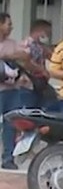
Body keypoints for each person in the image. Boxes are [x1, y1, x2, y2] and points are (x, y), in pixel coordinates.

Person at [0, 12, 37, 170]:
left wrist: (7, 55)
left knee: (11, 125)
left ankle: (8, 158)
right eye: (8, 24)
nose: (11, 27)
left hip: (12, 90)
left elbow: (25, 55)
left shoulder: (12, 43)